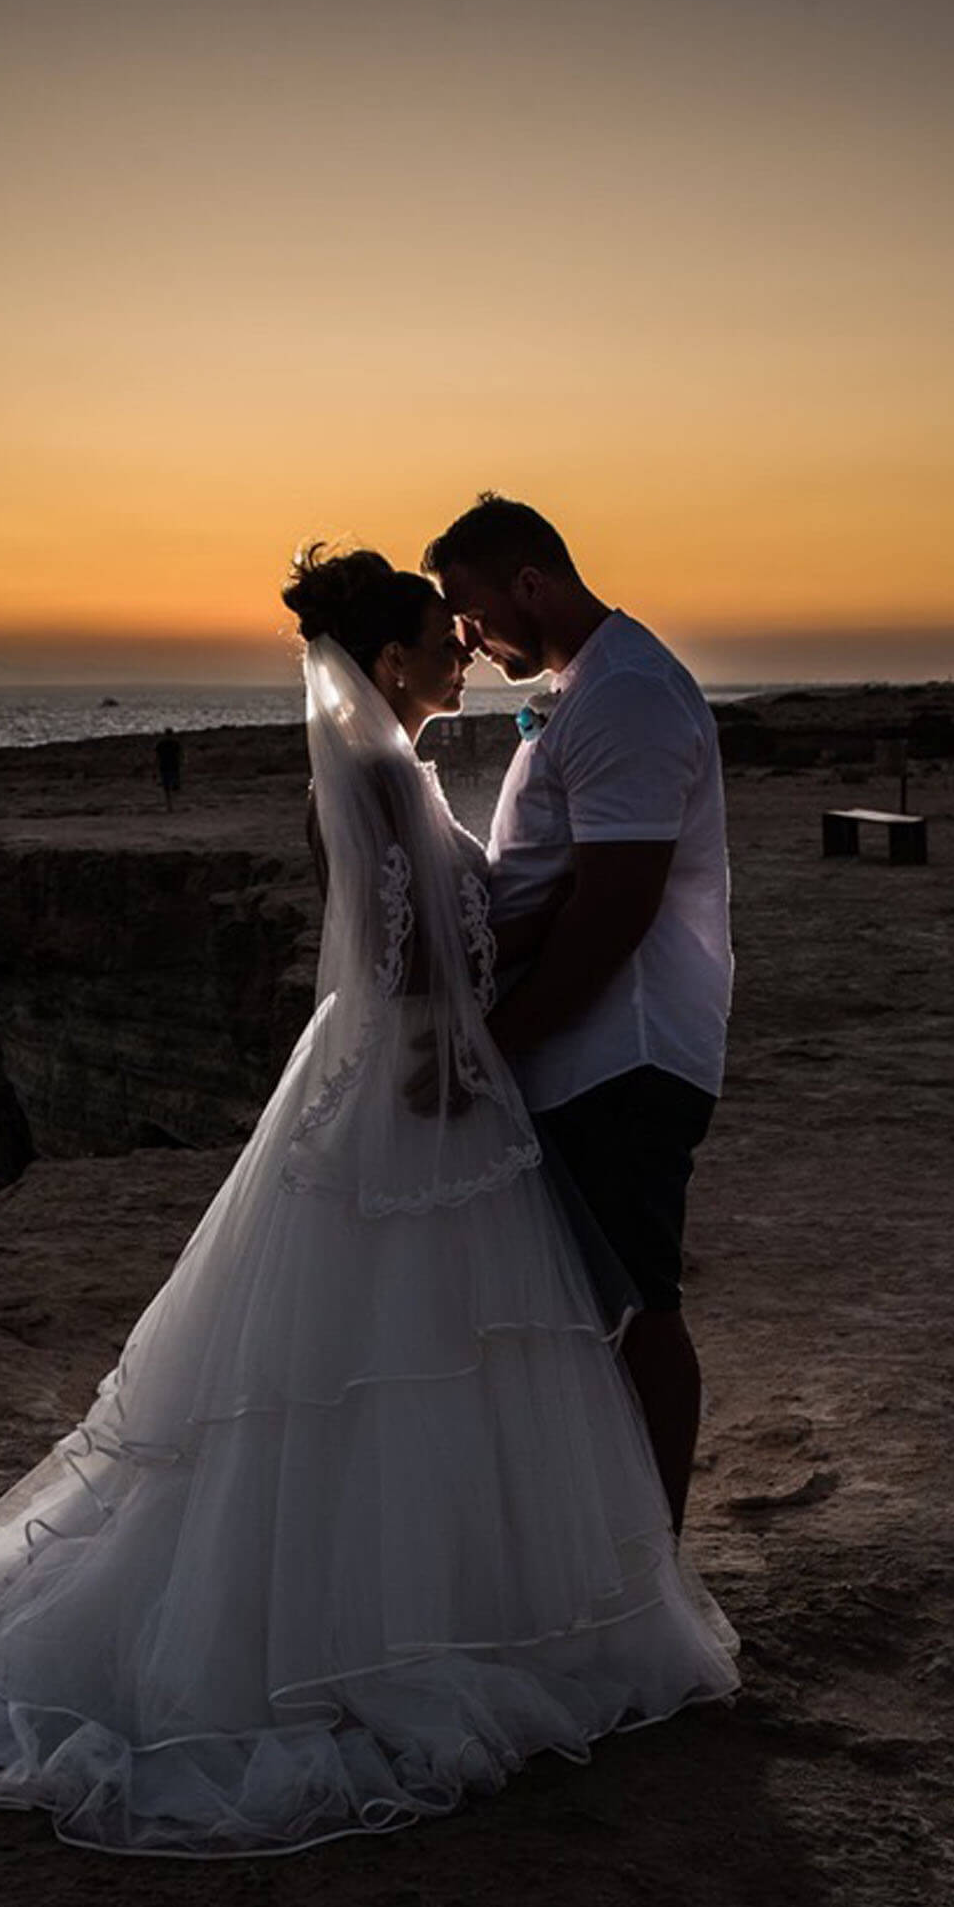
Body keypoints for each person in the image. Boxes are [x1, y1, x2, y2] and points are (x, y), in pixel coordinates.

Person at [0, 545, 738, 1860]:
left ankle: (438, 1595)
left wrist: (540, 918)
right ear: (390, 661)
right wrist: (479, 1032)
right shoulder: (382, 777)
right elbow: (410, 963)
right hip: (415, 1092)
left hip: (405, 1082)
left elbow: (434, 939)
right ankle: (390, 1625)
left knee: (395, 1358)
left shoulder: (379, 768)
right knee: (404, 1354)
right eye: (437, 633)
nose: (460, 645)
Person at [424, 496, 733, 1536]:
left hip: (625, 1051)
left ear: (529, 583)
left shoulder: (630, 695)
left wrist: (495, 1045)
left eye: (468, 609)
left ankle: (651, 1568)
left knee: (639, 1304)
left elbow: (614, 910)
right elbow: (557, 886)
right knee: (590, 1307)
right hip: (583, 1048)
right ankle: (599, 1547)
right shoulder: (587, 687)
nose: (464, 636)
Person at [155, 726, 183, 810]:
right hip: (171, 766)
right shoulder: (174, 743)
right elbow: (180, 754)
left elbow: (157, 756)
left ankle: (170, 804)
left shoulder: (162, 744)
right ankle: (170, 804)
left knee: (169, 786)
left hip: (167, 766)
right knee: (170, 786)